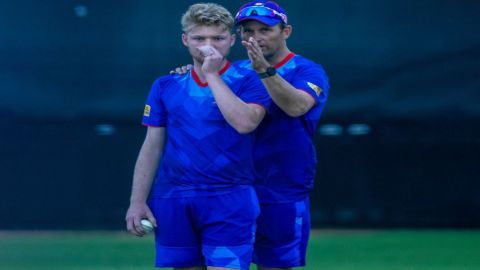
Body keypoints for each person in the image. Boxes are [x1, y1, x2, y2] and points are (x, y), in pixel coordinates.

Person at [125, 3, 270, 270]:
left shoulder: (251, 79)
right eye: (199, 38)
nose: (208, 45)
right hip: (173, 198)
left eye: (217, 38)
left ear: (232, 40)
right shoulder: (165, 85)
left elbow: (245, 123)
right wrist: (137, 201)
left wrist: (212, 74)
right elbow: (152, 146)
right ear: (185, 40)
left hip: (230, 197)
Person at [235, 1, 330, 269]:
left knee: (276, 264)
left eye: (264, 29)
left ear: (286, 31)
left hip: (281, 186)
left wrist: (264, 70)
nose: (254, 37)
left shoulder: (308, 70)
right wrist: (188, 73)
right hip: (232, 186)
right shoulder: (233, 71)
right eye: (247, 31)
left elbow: (297, 106)